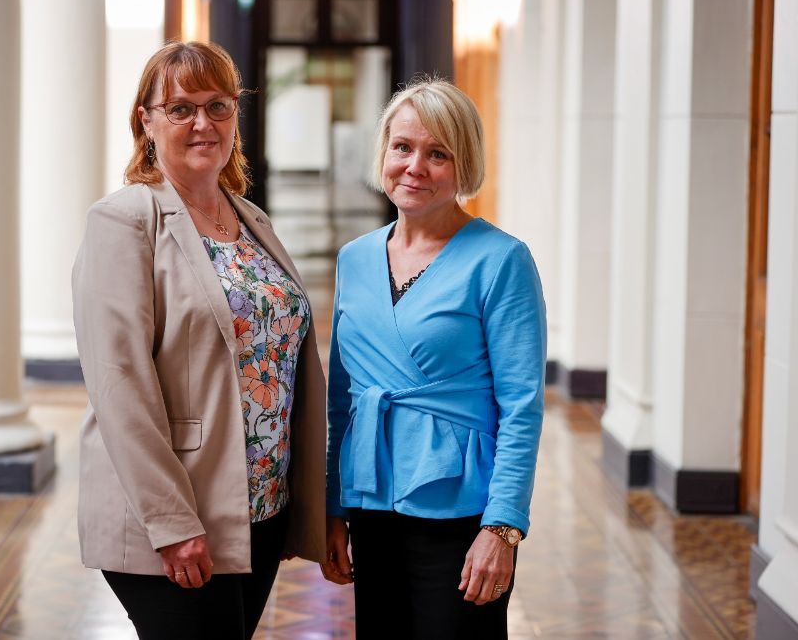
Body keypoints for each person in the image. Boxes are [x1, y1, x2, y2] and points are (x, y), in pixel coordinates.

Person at [72, 41, 326, 640]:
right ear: (147, 120)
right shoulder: (126, 219)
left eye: (218, 106)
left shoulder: (251, 219)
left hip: (258, 505)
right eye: (181, 108)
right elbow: (119, 383)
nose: (202, 123)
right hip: (178, 512)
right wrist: (172, 523)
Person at [319, 76, 547, 639]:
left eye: (437, 153)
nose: (415, 167)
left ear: (463, 163)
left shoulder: (501, 260)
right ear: (384, 153)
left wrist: (503, 527)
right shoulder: (354, 259)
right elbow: (342, 401)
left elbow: (521, 407)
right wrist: (332, 508)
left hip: (461, 511)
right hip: (371, 500)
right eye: (403, 147)